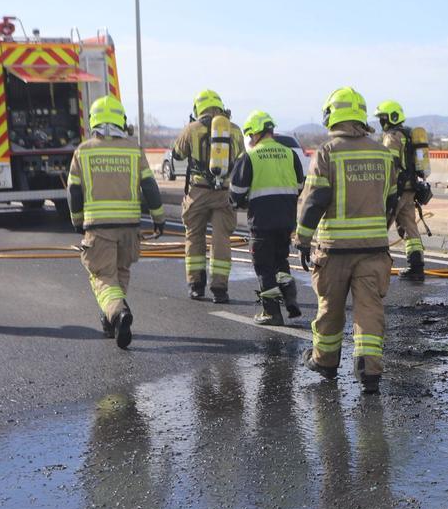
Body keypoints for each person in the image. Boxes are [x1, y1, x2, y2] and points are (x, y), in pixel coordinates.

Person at [295, 87, 397, 393]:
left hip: (334, 250)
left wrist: (302, 239)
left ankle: (325, 362)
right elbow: (390, 202)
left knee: (330, 308)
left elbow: (314, 200)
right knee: (369, 310)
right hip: (374, 249)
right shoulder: (382, 153)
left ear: (331, 115)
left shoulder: (328, 152)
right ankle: (369, 372)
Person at [67, 95, 165, 349]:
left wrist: (77, 221)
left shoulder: (84, 151)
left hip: (99, 228)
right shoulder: (134, 150)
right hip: (129, 229)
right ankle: (113, 318)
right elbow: (150, 187)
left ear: (93, 121)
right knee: (119, 272)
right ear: (121, 121)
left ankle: (118, 313)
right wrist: (159, 218)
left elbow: (74, 192)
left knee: (101, 275)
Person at [229, 110, 305, 325]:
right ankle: (290, 296)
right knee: (281, 261)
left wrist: (241, 202)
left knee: (263, 267)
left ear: (255, 134)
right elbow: (300, 186)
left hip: (262, 222)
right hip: (286, 220)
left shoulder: (250, 157)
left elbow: (236, 192)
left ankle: (272, 312)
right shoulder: (290, 154)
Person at [171, 89, 243, 303]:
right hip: (224, 193)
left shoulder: (191, 129)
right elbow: (242, 161)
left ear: (198, 109)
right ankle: (220, 289)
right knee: (221, 239)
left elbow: (177, 154)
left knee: (194, 237)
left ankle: (196, 286)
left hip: (198, 192)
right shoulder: (235, 130)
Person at [374, 99, 425, 281]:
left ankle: (375, 265)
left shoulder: (392, 137)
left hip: (398, 189)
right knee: (410, 226)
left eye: (383, 118)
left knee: (381, 225)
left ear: (392, 117)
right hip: (411, 188)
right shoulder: (408, 134)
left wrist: (384, 189)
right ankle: (416, 266)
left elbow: (389, 165)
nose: (381, 122)